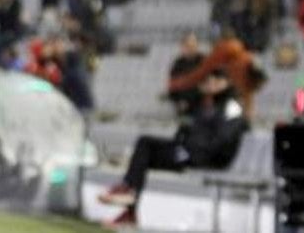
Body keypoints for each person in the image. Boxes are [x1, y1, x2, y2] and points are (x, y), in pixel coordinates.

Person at [98, 68, 248, 228]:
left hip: (207, 158)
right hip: (190, 152)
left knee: (146, 146)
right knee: (144, 149)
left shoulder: (231, 107)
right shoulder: (206, 105)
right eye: (210, 81)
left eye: (217, 81)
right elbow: (189, 128)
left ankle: (128, 193)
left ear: (227, 84)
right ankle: (129, 204)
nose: (212, 85)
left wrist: (189, 149)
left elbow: (222, 139)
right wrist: (183, 142)